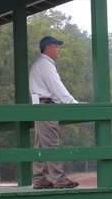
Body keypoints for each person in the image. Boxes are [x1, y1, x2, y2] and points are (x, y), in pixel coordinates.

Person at [29, 36, 80, 189]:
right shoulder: (45, 64)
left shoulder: (41, 64)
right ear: (48, 47)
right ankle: (59, 178)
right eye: (57, 46)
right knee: (51, 143)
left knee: (41, 144)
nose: (59, 49)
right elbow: (57, 87)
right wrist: (73, 103)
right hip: (46, 107)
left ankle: (39, 178)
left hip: (41, 106)